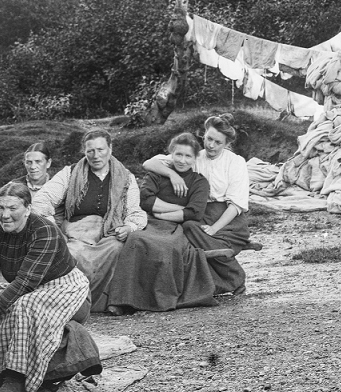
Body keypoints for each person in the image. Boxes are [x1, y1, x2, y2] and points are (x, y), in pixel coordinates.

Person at [0, 181, 93, 392]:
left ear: (27, 209)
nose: (5, 215)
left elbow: (25, 282)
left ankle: (16, 379)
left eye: (12, 208)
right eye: (0, 208)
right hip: (29, 287)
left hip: (66, 288)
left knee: (23, 307)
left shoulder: (44, 230)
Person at [104, 133, 223, 314]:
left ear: (195, 158)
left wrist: (161, 212)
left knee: (167, 247)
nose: (182, 160)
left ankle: (160, 299)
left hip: (176, 227)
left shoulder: (199, 182)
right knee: (135, 240)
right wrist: (178, 208)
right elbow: (145, 200)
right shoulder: (157, 176)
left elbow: (194, 212)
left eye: (188, 156)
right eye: (178, 154)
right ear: (171, 154)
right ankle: (122, 300)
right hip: (149, 222)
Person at [30, 129, 145, 313]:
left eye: (101, 150)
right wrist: (55, 230)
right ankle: (73, 304)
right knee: (70, 254)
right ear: (84, 151)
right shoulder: (70, 173)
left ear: (110, 149)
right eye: (90, 151)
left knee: (118, 249)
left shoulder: (126, 177)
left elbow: (134, 211)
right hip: (76, 233)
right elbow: (42, 199)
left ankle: (104, 303)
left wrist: (129, 227)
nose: (96, 156)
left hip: (108, 233)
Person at [190, 114, 253, 295]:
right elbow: (153, 163)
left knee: (196, 236)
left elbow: (235, 205)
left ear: (226, 144)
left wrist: (214, 228)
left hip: (229, 221)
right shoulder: (194, 158)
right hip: (201, 215)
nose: (211, 145)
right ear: (203, 135)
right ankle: (212, 286)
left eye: (218, 142)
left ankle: (235, 276)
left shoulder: (235, 162)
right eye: (209, 139)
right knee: (186, 232)